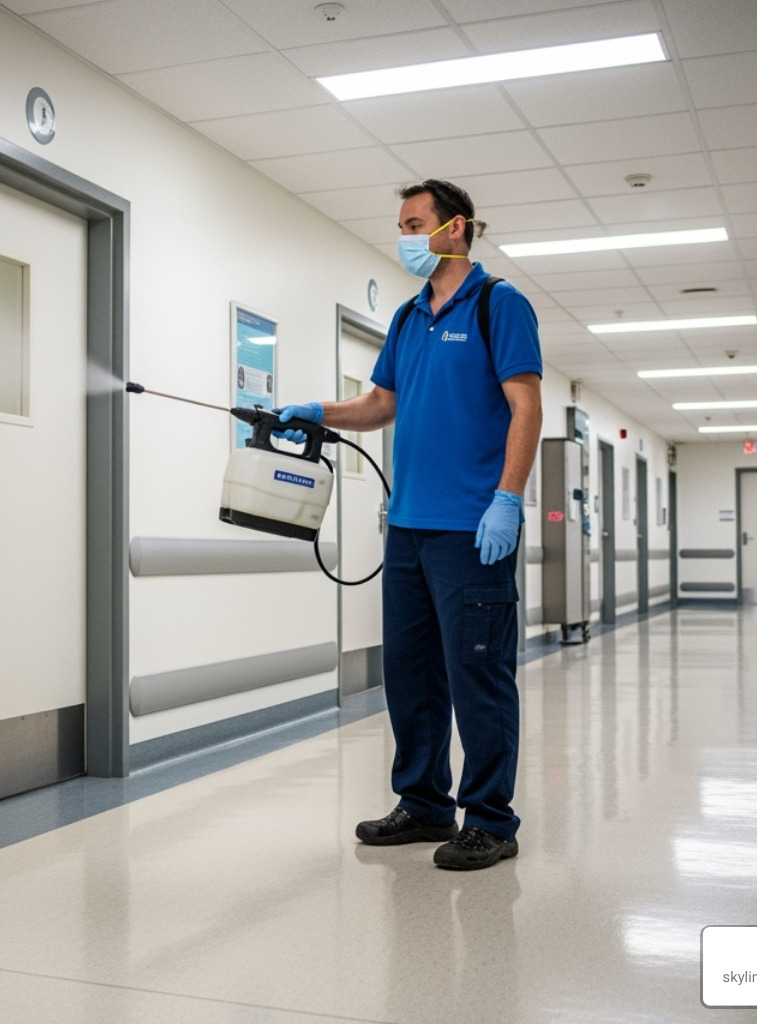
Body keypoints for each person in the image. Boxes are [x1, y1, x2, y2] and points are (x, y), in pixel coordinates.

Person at [278, 179, 543, 871]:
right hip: (409, 528)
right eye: (400, 223)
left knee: (478, 675)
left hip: (470, 530)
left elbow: (527, 409)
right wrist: (317, 411)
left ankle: (489, 819)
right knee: (412, 675)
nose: (404, 235)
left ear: (456, 228)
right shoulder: (406, 318)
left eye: (415, 222)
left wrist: (507, 498)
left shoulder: (498, 304)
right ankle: (424, 802)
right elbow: (379, 405)